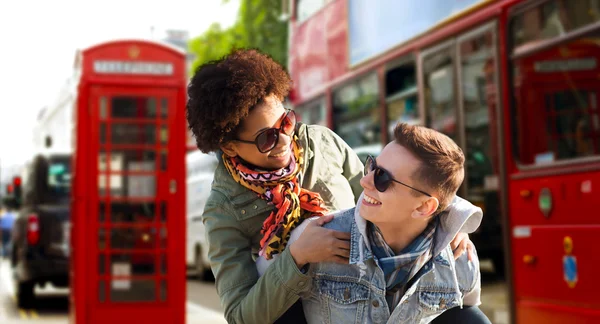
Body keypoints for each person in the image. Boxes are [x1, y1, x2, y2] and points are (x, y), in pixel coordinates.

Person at [186, 48, 474, 324]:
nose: (286, 141)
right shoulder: (224, 211)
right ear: (229, 146)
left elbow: (388, 194)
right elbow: (241, 316)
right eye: (266, 138)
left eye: (286, 122)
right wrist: (297, 257)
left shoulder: (323, 144)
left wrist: (446, 223)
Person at [280, 123, 490, 323]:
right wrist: (296, 257)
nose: (364, 181)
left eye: (382, 178)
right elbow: (265, 307)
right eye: (372, 166)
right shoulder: (315, 241)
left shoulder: (461, 260)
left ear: (424, 207)